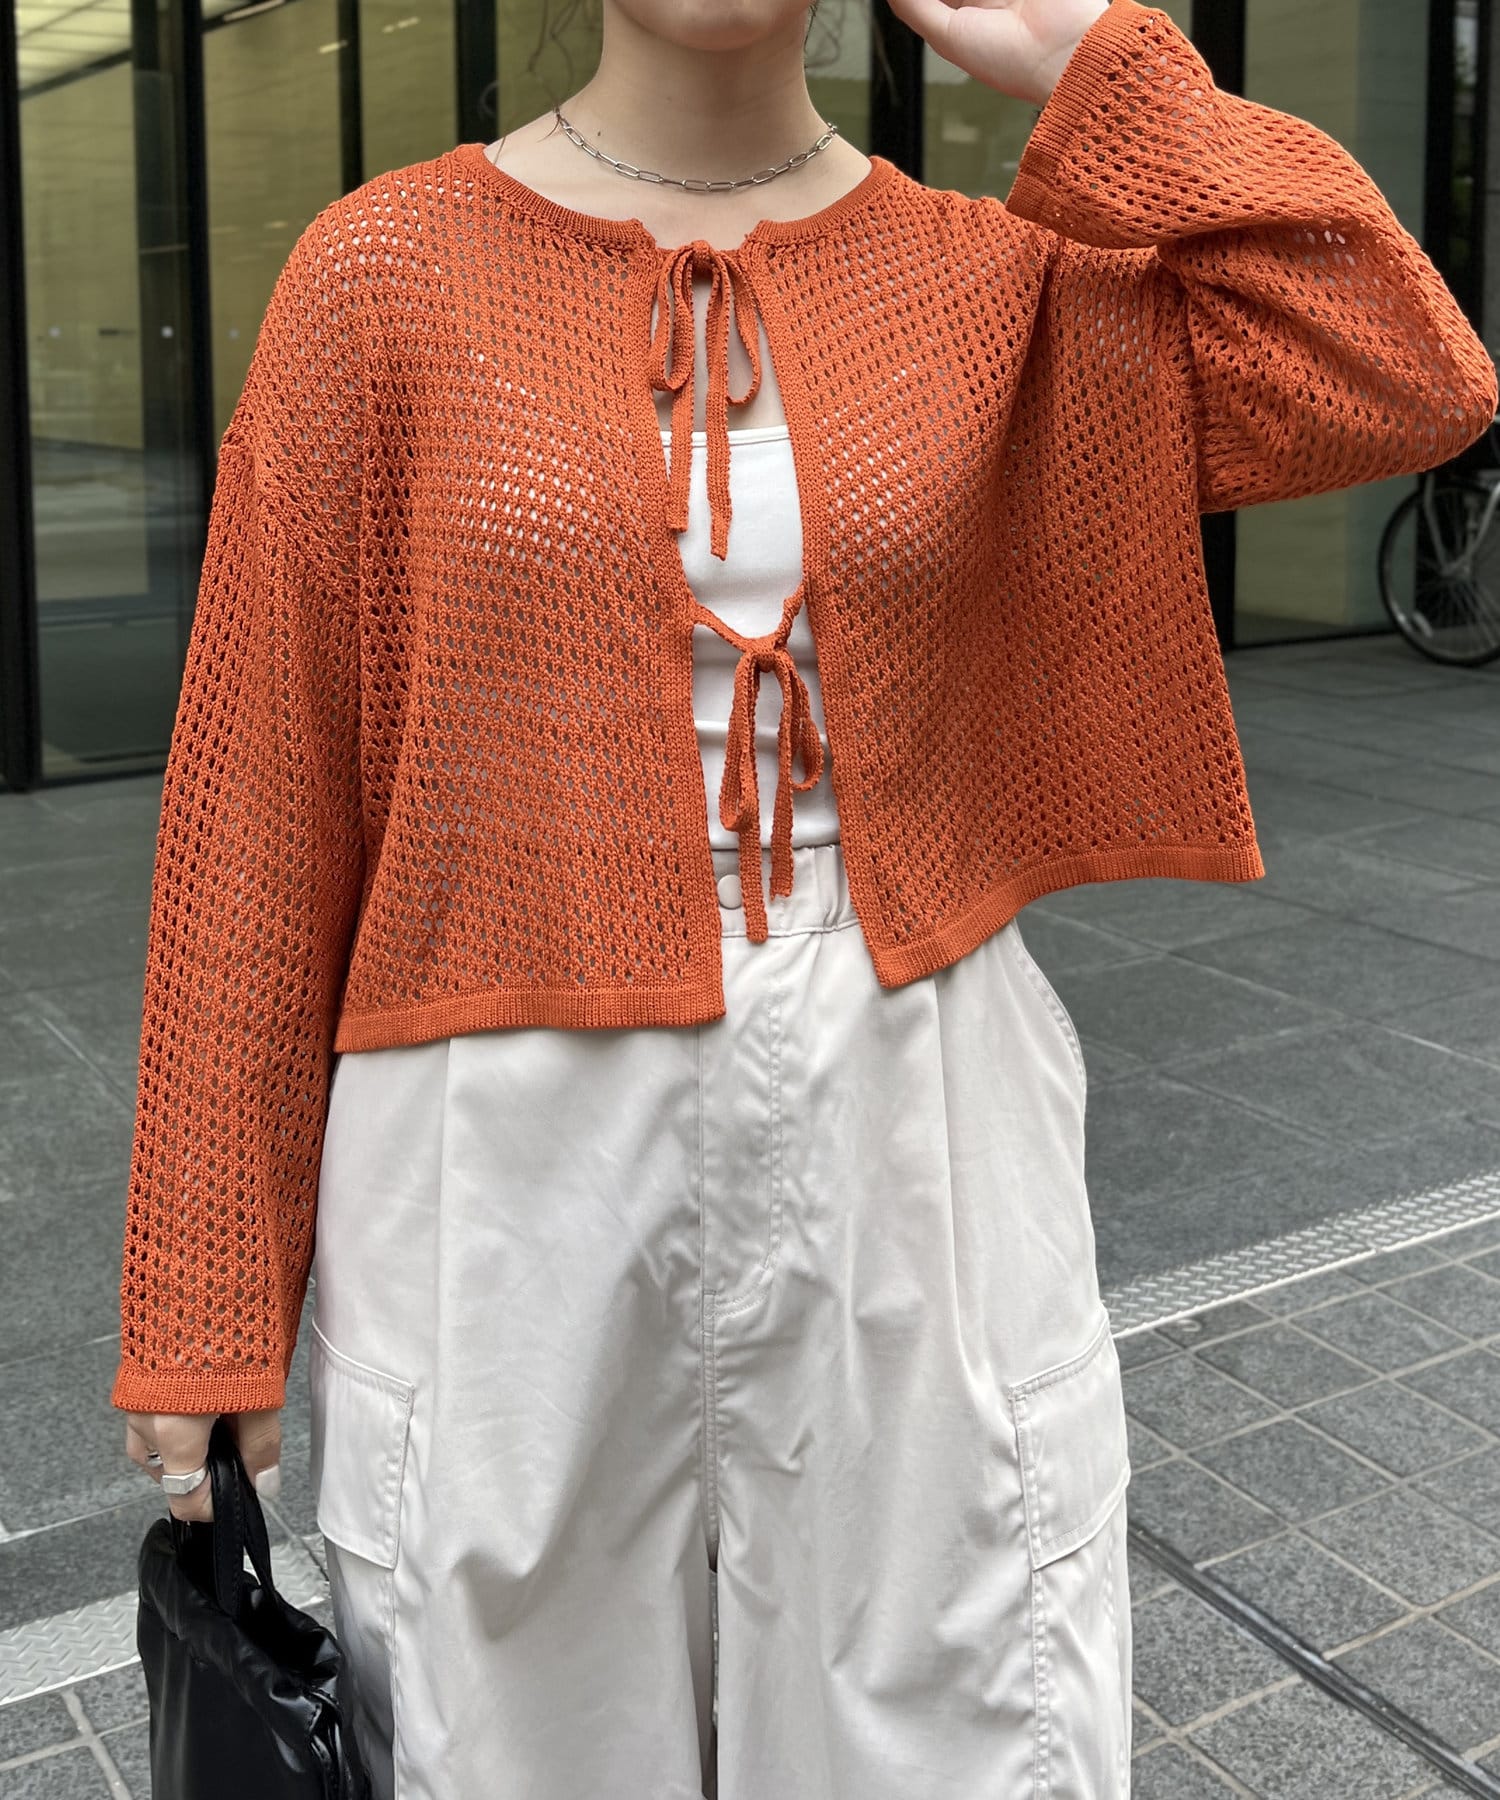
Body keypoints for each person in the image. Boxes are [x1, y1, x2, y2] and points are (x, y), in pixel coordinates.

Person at [112, 0, 1498, 1794]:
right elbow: (260, 794)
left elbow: (1403, 366)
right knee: (507, 1743)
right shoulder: (381, 275)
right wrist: (207, 1286)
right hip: (498, 1139)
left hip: (916, 1096)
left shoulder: (992, 279)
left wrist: (1092, 55)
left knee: (954, 1713)